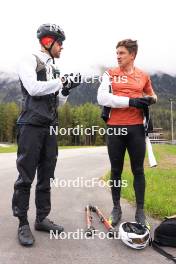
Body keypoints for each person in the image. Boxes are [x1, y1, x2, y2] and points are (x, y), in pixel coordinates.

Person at [12, 23, 81, 246]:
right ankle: (22, 222)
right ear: (47, 42)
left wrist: (66, 90)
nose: (62, 47)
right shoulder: (29, 59)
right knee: (26, 176)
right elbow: (33, 88)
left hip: (50, 126)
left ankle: (41, 218)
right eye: (59, 43)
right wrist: (59, 82)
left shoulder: (54, 68)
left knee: (47, 175)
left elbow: (56, 101)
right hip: (31, 124)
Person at [97, 39, 157, 227]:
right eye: (117, 53)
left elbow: (153, 95)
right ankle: (116, 208)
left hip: (136, 129)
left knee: (138, 170)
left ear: (132, 55)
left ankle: (140, 211)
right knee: (116, 171)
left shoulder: (143, 76)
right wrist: (131, 101)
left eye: (122, 53)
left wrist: (149, 100)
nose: (118, 56)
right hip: (115, 128)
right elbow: (102, 98)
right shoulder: (109, 74)